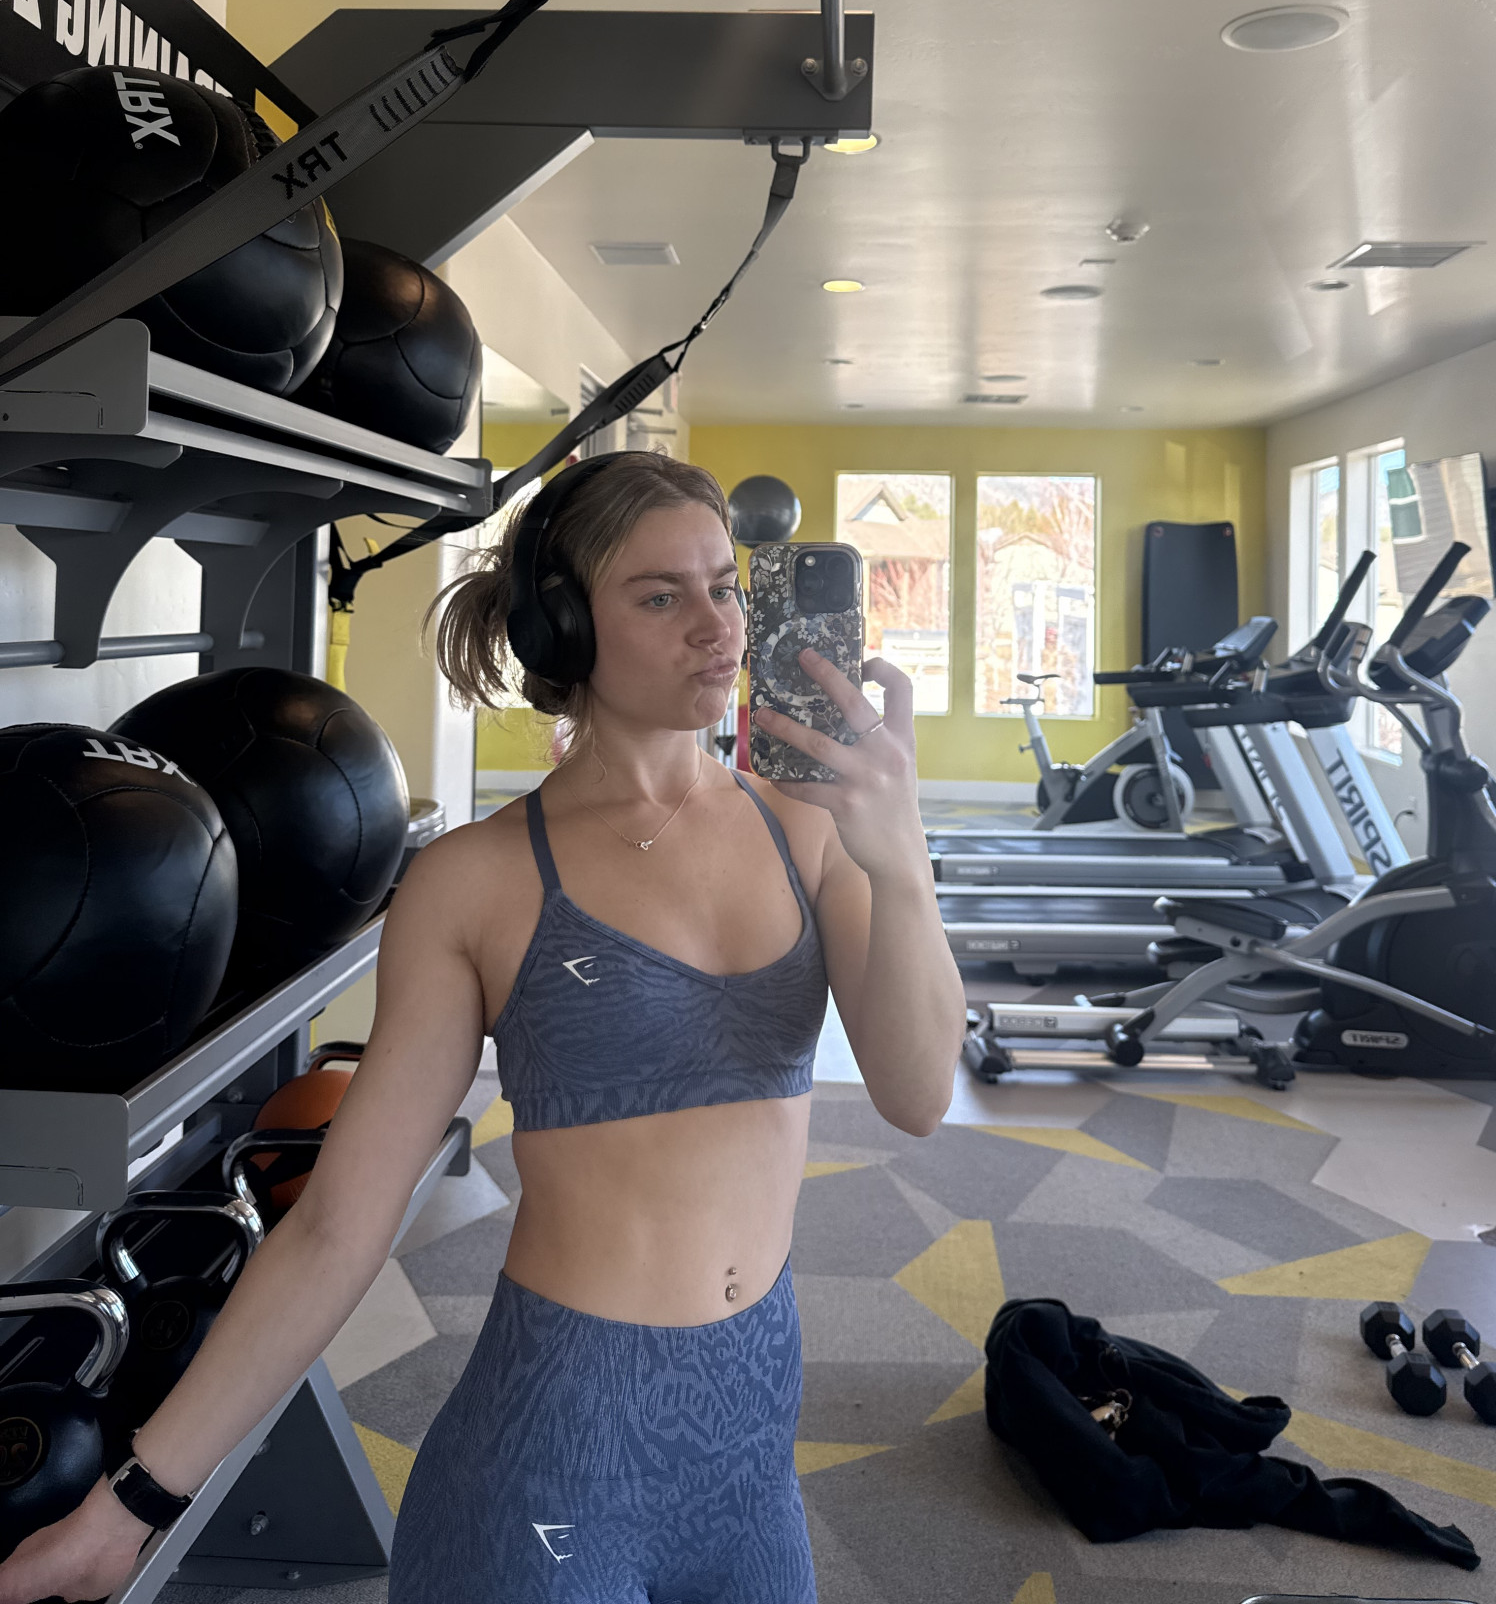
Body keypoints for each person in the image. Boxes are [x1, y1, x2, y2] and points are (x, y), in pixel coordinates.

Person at [0, 451, 965, 1604]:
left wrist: (902, 859)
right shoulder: (479, 880)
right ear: (566, 627)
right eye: (661, 595)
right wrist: (135, 1501)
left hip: (749, 1465)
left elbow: (918, 1092)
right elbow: (337, 1226)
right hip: (548, 1473)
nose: (717, 626)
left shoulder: (810, 830)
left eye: (724, 586)